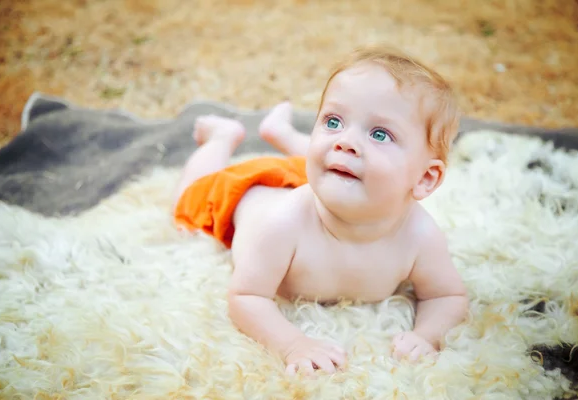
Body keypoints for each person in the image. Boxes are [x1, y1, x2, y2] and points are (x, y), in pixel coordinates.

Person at [172, 44, 469, 376]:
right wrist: (293, 344)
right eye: (333, 121)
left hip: (326, 178)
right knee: (190, 198)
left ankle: (281, 134)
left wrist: (427, 336)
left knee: (335, 164)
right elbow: (246, 296)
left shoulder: (420, 236)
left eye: (380, 134)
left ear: (425, 179)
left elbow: (448, 296)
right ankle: (222, 138)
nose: (345, 140)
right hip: (249, 192)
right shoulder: (283, 224)